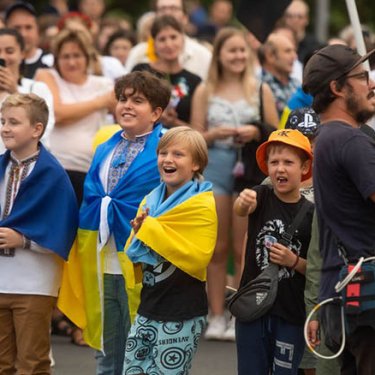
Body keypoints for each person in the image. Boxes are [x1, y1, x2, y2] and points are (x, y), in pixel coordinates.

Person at [58, 71, 171, 375]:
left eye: (138, 101)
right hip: (100, 258)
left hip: (140, 259)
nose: (127, 106)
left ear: (157, 113)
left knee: (140, 346)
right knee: (107, 348)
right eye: (123, 99)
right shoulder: (105, 146)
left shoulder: (166, 149)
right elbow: (92, 198)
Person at [191, 27, 278, 341]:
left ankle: (238, 314)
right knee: (217, 246)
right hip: (215, 166)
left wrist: (253, 132)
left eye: (243, 50)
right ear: (219, 55)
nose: (238, 56)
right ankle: (215, 314)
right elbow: (194, 135)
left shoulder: (260, 89)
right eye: (232, 51)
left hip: (249, 172)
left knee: (244, 246)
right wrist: (217, 134)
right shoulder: (205, 90)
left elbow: (273, 132)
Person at [302, 44, 375, 373]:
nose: (370, 84)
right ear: (337, 87)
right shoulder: (350, 141)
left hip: (344, 290)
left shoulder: (328, 137)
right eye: (362, 77)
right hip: (364, 293)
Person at [123, 126, 217, 375]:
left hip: (182, 312)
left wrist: (150, 230)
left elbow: (199, 257)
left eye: (178, 154)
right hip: (148, 307)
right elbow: (134, 249)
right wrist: (141, 231)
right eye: (163, 153)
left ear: (196, 163)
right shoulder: (150, 200)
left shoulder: (202, 205)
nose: (168, 159)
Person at [0, 93, 78, 374]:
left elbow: (63, 227)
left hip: (34, 284)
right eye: (3, 121)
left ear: (37, 129)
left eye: (14, 122)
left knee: (33, 362)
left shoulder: (53, 174)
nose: (5, 128)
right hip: (0, 280)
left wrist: (23, 239)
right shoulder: (1, 167)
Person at [233, 129, 314, 374]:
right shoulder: (262, 194)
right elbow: (241, 209)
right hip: (252, 309)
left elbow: (316, 267)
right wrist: (243, 201)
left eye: (288, 162)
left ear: (304, 167)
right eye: (274, 162)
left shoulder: (312, 214)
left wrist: (293, 261)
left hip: (290, 312)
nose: (280, 168)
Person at [35, 28, 115, 205]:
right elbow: (57, 113)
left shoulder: (103, 83)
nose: (71, 62)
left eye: (77, 55)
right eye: (65, 56)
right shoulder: (47, 76)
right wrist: (99, 102)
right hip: (55, 168)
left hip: (91, 171)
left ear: (87, 57)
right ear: (56, 59)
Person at [133, 15, 202, 128]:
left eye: (173, 37)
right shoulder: (141, 71)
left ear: (183, 40)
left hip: (179, 142)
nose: (169, 44)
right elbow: (129, 111)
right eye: (162, 39)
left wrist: (173, 122)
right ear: (154, 44)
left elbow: (198, 132)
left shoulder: (194, 81)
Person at [126, 0, 212, 80]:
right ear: (154, 16)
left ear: (185, 18)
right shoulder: (138, 54)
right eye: (162, 9)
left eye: (173, 8)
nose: (167, 13)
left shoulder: (203, 55)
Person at [0, 28, 55, 153]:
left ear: (22, 54)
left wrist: (15, 92)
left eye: (10, 51)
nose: (2, 57)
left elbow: (44, 132)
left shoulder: (37, 88)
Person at [4, 1, 50, 79]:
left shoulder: (52, 63)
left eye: (28, 27)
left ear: (37, 30)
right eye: (17, 28)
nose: (23, 34)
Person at [260, 32, 300, 117]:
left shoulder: (297, 84)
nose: (294, 56)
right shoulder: (256, 84)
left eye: (294, 51)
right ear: (270, 56)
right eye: (288, 51)